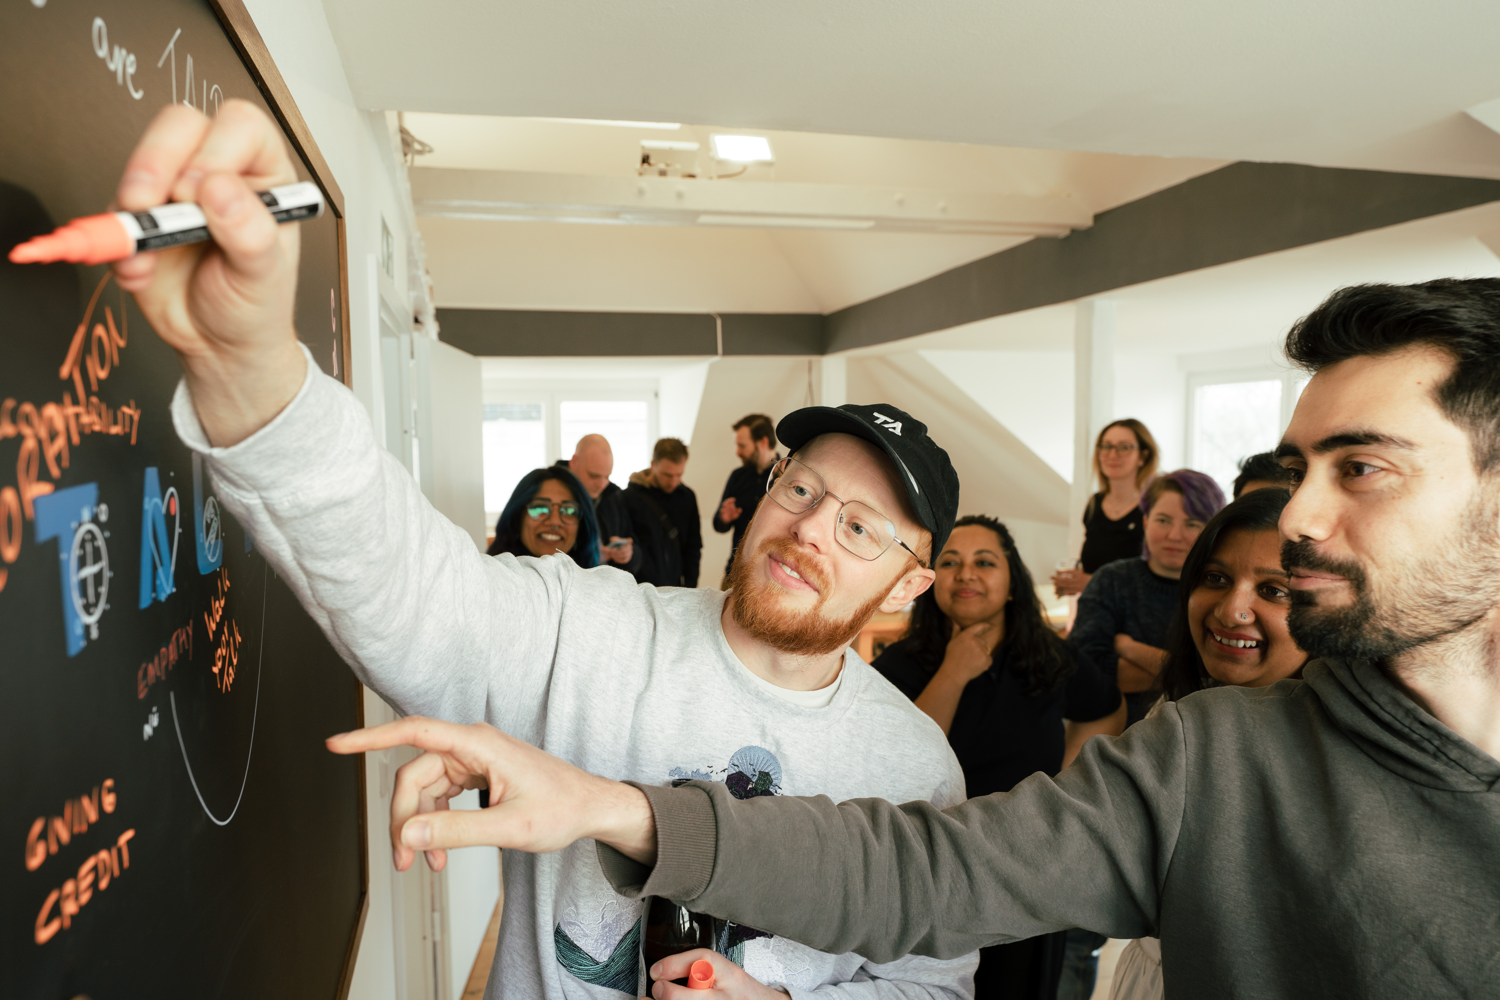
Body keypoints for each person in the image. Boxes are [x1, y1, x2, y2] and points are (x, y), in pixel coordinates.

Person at [339, 276, 1500, 1000]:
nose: (1295, 514)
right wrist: (610, 806)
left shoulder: (910, 746)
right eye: (798, 488)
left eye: (1362, 468)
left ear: (903, 572)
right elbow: (924, 869)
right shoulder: (1214, 761)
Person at [115, 96, 978, 1000]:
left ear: (907, 585)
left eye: (859, 529)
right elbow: (411, 589)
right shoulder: (585, 626)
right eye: (801, 488)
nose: (808, 528)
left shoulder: (914, 770)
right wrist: (251, 367)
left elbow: (934, 985)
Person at [872, 515, 1123, 1000]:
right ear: (931, 581)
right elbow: (898, 757)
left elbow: (1107, 711)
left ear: (1012, 583)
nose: (966, 574)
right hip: (929, 873)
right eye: (950, 563)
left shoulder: (1047, 657)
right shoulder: (899, 664)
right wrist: (954, 671)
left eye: (984, 562)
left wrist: (1066, 791)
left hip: (1025, 871)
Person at [1108, 486, 1307, 1000]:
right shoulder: (1175, 710)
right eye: (1216, 578)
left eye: (1275, 590)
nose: (1232, 609)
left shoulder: (1332, 754)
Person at [1069, 470, 1225, 728]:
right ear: (1145, 523)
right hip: (1112, 735)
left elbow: (1218, 675)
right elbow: (1084, 672)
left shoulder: (1220, 591)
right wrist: (1188, 670)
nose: (1174, 535)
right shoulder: (1111, 580)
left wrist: (1130, 649)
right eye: (1163, 520)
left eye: (1192, 524)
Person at [1052, 419, 1159, 598]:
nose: (1112, 454)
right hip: (1096, 614)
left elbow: (1159, 580)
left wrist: (1092, 582)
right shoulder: (1095, 504)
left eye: (1124, 447)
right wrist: (1073, 582)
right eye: (1106, 446)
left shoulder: (1154, 507)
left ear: (1143, 456)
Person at [553, 433, 639, 573]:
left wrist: (628, 554)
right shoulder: (549, 494)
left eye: (607, 476)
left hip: (606, 589)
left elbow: (633, 544)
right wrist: (591, 556)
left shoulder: (614, 496)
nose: (602, 484)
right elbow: (542, 550)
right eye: (594, 476)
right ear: (574, 462)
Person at [626, 437, 703, 588]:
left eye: (679, 475)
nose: (673, 481)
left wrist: (689, 589)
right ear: (653, 464)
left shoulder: (687, 497)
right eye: (667, 475)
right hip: (639, 590)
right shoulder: (630, 497)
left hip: (676, 590)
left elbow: (693, 547)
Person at [713, 414, 780, 588]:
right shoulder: (738, 476)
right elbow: (718, 525)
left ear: (763, 442)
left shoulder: (787, 475)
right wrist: (724, 518)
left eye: (742, 446)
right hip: (734, 575)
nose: (738, 452)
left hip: (770, 581)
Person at [486, 467, 601, 568]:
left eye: (568, 510)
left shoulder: (598, 587)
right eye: (540, 508)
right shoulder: (489, 580)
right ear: (517, 518)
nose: (555, 522)